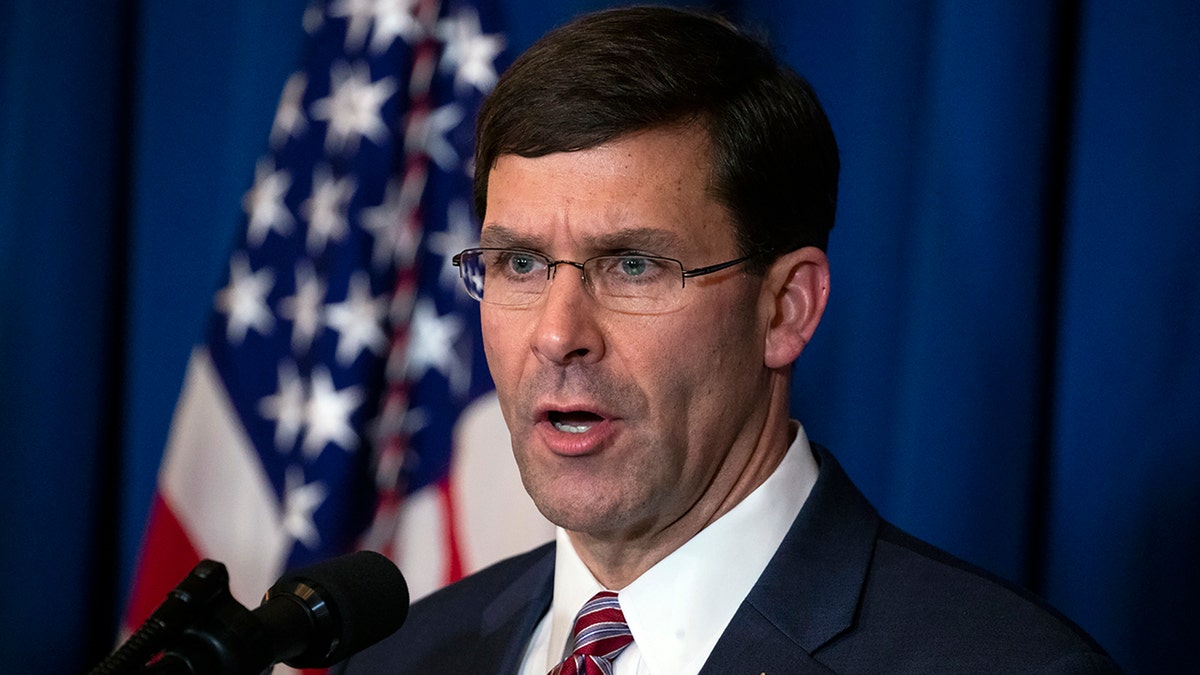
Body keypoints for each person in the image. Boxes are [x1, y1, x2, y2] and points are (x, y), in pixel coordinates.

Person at [335, 6, 1117, 673]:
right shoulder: (403, 656)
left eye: (633, 265)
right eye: (520, 263)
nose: (557, 333)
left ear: (785, 310)